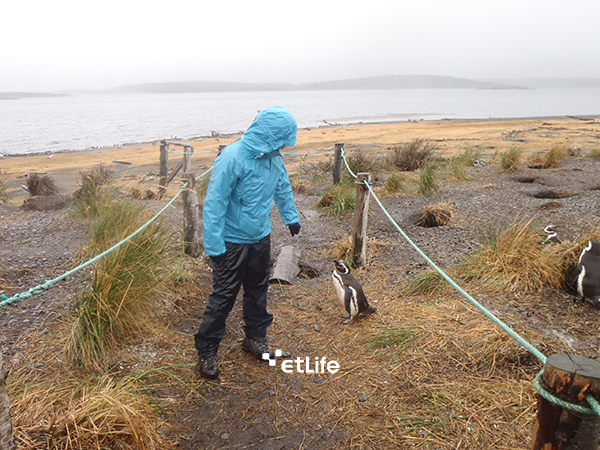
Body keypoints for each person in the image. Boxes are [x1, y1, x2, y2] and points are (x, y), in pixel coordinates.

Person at [195, 106, 301, 380]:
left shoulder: (273, 158)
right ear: (270, 134)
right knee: (223, 297)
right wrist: (214, 247)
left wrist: (291, 217)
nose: (285, 146)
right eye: (282, 140)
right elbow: (215, 204)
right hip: (231, 242)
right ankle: (207, 350)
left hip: (260, 238)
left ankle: (255, 339)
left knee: (257, 291)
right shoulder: (232, 158)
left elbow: (282, 186)